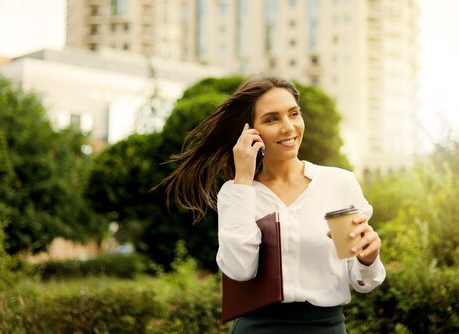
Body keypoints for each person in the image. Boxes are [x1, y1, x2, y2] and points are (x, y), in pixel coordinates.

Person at [161, 75, 385, 333]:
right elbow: (239, 269)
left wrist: (368, 259)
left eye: (293, 114)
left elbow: (361, 280)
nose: (288, 127)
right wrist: (242, 179)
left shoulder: (339, 184)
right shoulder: (237, 193)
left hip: (326, 327)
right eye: (272, 119)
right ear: (250, 132)